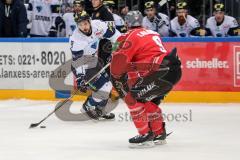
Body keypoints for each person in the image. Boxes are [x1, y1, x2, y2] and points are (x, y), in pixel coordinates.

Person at [110, 11, 182, 148]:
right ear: (141, 22)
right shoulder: (152, 32)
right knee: (144, 99)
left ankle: (145, 135)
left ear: (126, 23)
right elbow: (144, 57)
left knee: (133, 99)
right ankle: (158, 133)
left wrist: (114, 57)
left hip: (160, 71)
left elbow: (119, 66)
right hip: (174, 69)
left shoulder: (128, 36)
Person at [70, 11, 121, 120]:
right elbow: (77, 61)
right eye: (81, 24)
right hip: (83, 65)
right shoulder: (76, 38)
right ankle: (87, 107)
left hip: (94, 61)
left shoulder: (98, 25)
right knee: (105, 88)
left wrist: (116, 51)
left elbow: (116, 35)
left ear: (89, 21)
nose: (84, 27)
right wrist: (80, 78)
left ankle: (100, 110)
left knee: (109, 85)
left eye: (85, 23)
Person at [91, 0, 115, 67]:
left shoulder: (105, 11)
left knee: (105, 66)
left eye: (95, 0)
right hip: (99, 43)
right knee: (100, 65)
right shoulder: (95, 11)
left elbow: (111, 30)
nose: (93, 1)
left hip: (107, 43)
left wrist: (100, 35)